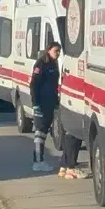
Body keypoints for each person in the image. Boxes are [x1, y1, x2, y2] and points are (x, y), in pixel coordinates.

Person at [28, 42, 68, 174]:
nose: (58, 53)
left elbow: (53, 85)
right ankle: (38, 162)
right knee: (40, 132)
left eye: (59, 51)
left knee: (44, 132)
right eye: (56, 51)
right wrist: (35, 104)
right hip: (41, 103)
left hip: (50, 103)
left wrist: (56, 101)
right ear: (49, 50)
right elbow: (34, 84)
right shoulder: (41, 64)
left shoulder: (53, 64)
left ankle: (40, 160)